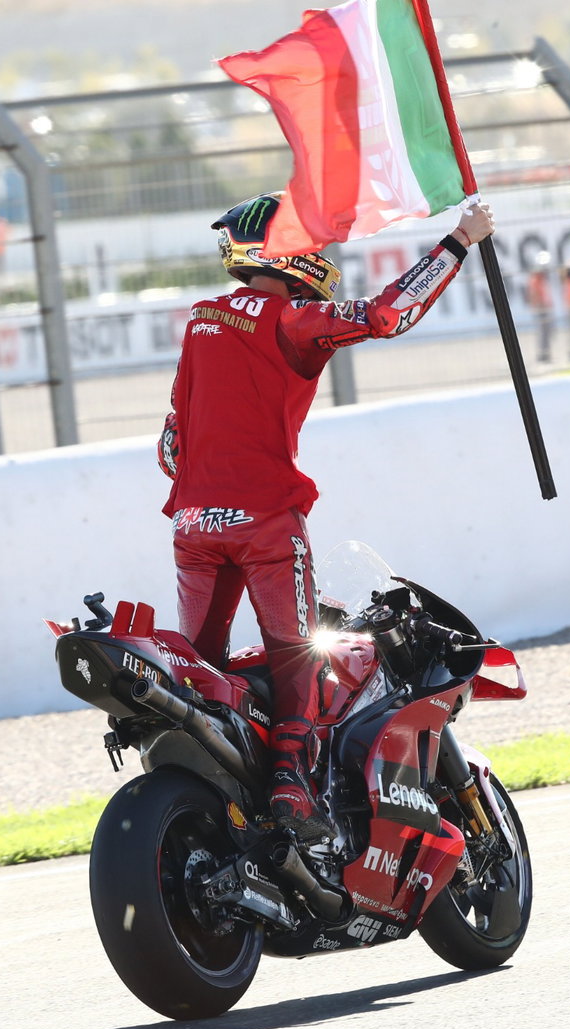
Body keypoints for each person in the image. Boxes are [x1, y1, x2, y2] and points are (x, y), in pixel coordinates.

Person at [158, 191, 495, 841]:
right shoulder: (292, 318)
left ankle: (215, 792)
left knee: (203, 669)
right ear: (284, 251)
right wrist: (460, 242)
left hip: (193, 525)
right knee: (296, 656)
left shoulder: (200, 321)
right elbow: (386, 316)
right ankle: (291, 785)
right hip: (265, 522)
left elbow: (172, 445)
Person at [525, 251, 555, 363]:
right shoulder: (535, 279)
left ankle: (546, 353)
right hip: (541, 309)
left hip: (545, 308)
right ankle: (543, 354)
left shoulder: (543, 279)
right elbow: (534, 295)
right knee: (543, 332)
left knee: (547, 332)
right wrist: (540, 306)